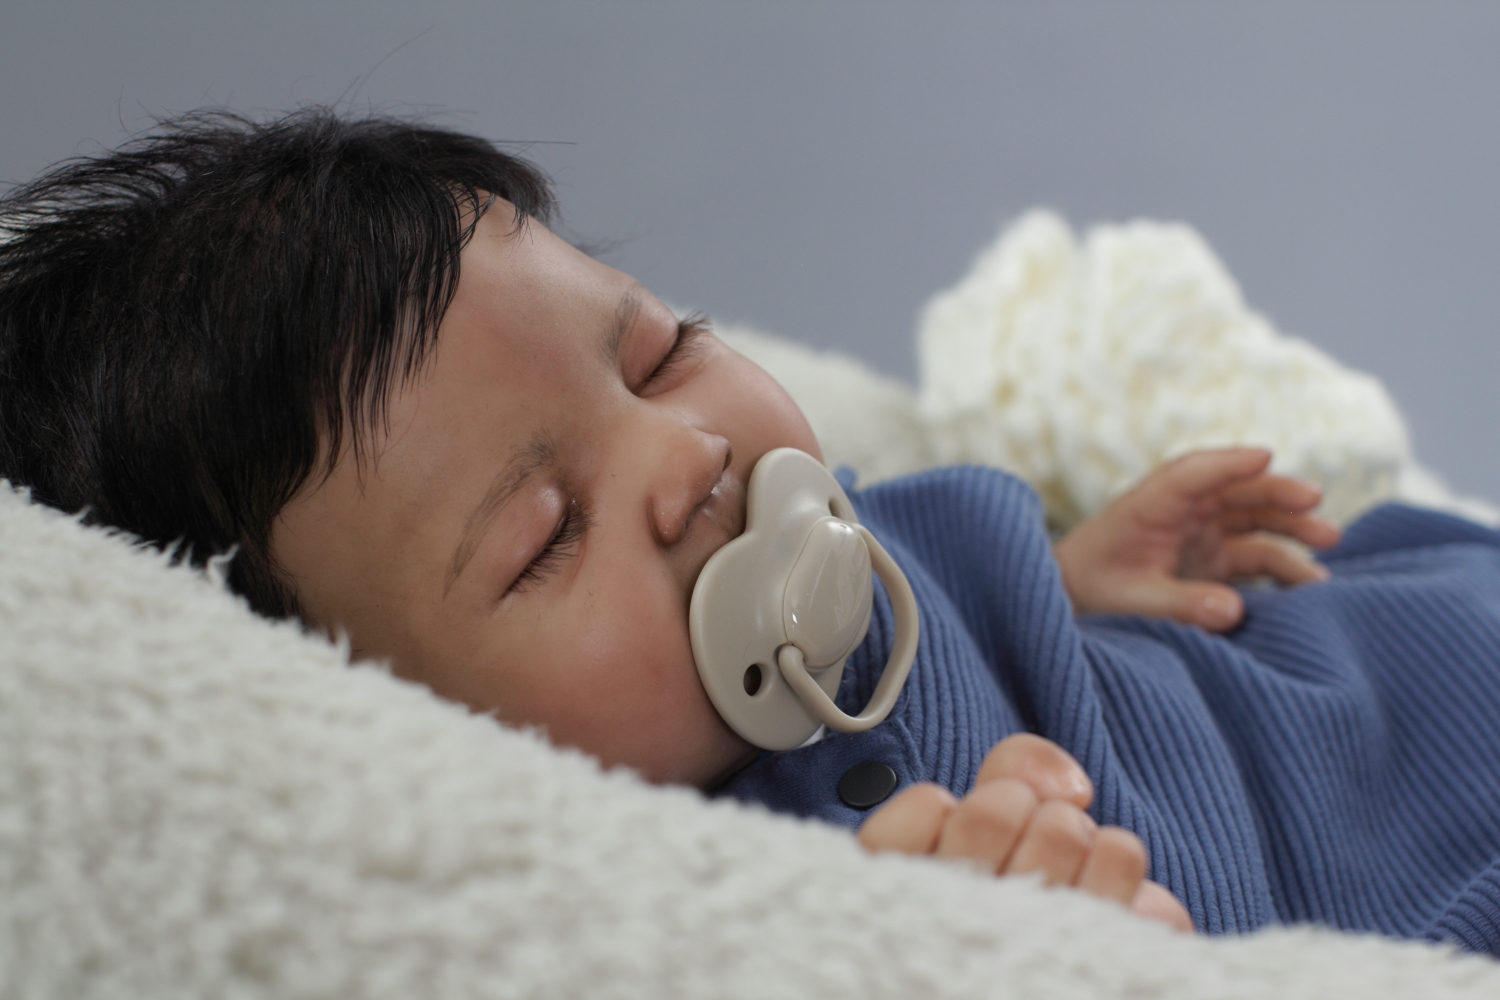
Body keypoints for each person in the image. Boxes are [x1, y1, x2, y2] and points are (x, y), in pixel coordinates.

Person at [5, 109, 1500, 949]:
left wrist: (1069, 579)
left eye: (660, 354)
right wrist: (1001, 944)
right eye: (546, 533)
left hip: (1379, 650)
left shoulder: (842, 561)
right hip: (1411, 868)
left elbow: (972, 588)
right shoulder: (726, 895)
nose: (689, 452)